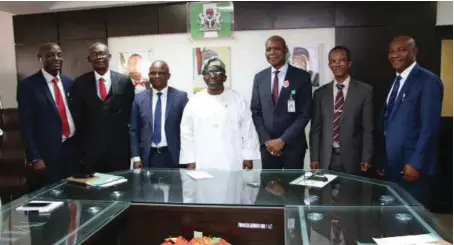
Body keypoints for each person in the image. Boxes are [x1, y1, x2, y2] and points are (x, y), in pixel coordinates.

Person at [378, 36, 443, 205]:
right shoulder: (394, 81)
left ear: (414, 52)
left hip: (412, 166)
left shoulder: (428, 81)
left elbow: (430, 127)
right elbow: (389, 123)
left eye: (401, 50)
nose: (395, 55)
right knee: (394, 215)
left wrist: (416, 163)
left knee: (413, 220)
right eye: (391, 51)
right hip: (393, 164)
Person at [179, 57, 260, 170]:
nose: (213, 76)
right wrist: (189, 160)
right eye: (209, 73)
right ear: (204, 78)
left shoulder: (237, 99)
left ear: (224, 77)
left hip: (231, 159)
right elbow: (186, 133)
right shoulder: (194, 102)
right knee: (204, 186)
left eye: (218, 72)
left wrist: (248, 156)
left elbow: (247, 129)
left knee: (232, 186)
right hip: (203, 160)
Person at [17, 42, 78, 189]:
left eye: (59, 55)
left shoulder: (69, 82)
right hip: (47, 154)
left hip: (72, 150)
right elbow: (26, 125)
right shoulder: (28, 86)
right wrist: (35, 157)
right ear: (40, 58)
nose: (55, 58)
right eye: (50, 55)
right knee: (52, 197)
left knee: (74, 194)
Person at [70, 42, 135, 173]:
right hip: (91, 151)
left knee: (121, 187)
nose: (99, 57)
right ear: (89, 59)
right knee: (94, 190)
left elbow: (130, 113)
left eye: (102, 53)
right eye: (94, 54)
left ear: (109, 56)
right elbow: (77, 117)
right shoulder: (80, 83)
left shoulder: (124, 81)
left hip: (119, 150)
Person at [310, 46, 374, 175]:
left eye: (341, 60)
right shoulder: (320, 94)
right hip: (326, 158)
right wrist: (314, 157)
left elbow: (368, 129)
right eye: (333, 61)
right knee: (325, 194)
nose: (337, 64)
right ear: (329, 64)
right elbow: (315, 129)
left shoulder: (365, 91)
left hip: (353, 158)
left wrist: (367, 157)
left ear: (349, 63)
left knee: (352, 194)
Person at [251, 35, 312, 169]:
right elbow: (256, 112)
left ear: (285, 51)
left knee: (294, 189)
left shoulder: (302, 77)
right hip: (268, 147)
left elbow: (305, 113)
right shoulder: (259, 78)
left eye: (276, 49)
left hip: (293, 145)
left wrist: (283, 140)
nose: (272, 52)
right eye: (268, 49)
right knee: (269, 187)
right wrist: (267, 141)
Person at [130, 61, 188, 169]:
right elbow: (134, 130)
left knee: (176, 186)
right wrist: (136, 157)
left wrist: (189, 158)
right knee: (147, 186)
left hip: (173, 155)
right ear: (149, 76)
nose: (157, 76)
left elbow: (187, 130)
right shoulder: (139, 98)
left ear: (168, 76)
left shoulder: (181, 97)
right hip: (148, 156)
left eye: (161, 73)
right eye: (153, 73)